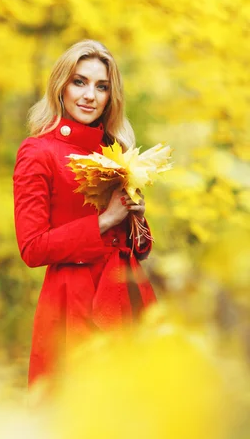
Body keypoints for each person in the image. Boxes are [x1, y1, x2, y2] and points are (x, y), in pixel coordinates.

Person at [13, 40, 156, 387]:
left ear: (111, 96)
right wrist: (104, 220)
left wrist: (136, 214)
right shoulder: (38, 152)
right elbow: (32, 248)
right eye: (79, 81)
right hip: (73, 301)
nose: (90, 95)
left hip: (126, 293)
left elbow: (138, 246)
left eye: (101, 86)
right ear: (60, 86)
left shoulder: (117, 150)